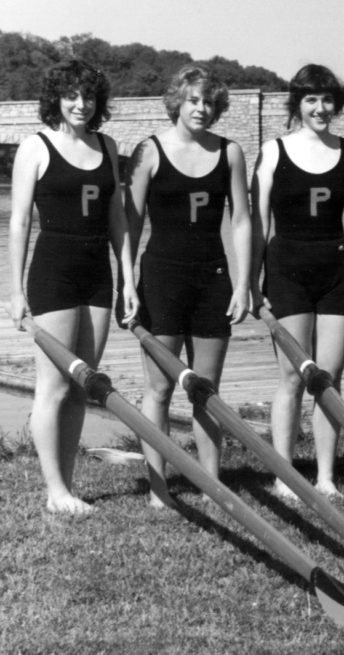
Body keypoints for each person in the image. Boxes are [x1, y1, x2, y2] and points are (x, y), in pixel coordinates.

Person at [8, 59, 138, 514]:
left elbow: (117, 217)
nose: (80, 104)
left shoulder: (108, 144)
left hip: (96, 273)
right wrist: (14, 289)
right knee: (54, 385)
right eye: (71, 96)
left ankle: (69, 484)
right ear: (56, 101)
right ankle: (54, 491)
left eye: (88, 96)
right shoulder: (36, 147)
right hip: (53, 271)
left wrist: (128, 278)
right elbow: (21, 220)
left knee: (83, 384)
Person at [126, 64, 252, 507]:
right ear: (177, 100)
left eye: (210, 102)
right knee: (159, 389)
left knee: (206, 389)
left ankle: (211, 484)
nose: (202, 109)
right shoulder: (150, 151)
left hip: (212, 277)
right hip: (161, 277)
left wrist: (243, 284)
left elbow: (240, 220)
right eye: (194, 100)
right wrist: (127, 281)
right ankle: (158, 486)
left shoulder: (230, 152)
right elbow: (128, 224)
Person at [252, 64, 344, 499]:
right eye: (311, 100)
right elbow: (259, 223)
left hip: (336, 270)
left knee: (329, 378)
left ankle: (325, 477)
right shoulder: (274, 151)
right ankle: (284, 476)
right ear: (297, 104)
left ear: (336, 103)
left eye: (327, 100)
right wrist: (252, 281)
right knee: (292, 376)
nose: (320, 109)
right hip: (287, 269)